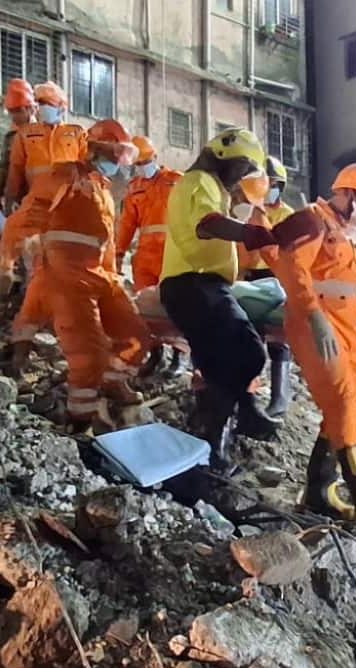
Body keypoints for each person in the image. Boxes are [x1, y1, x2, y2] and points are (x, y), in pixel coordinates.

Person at [263, 161, 356, 526]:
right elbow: (291, 267)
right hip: (314, 326)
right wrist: (314, 316)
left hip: (345, 333)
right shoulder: (313, 220)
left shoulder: (344, 238)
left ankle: (320, 491)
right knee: (340, 402)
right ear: (349, 193)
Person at [161, 127, 281, 467]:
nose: (243, 177)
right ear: (228, 160)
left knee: (217, 367)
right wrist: (251, 232)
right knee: (249, 353)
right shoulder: (200, 181)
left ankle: (215, 442)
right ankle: (223, 430)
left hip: (200, 285)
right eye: (244, 169)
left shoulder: (209, 187)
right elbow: (209, 223)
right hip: (194, 284)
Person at [38, 119, 149, 426]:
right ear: (95, 150)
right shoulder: (67, 176)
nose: (117, 162)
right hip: (68, 274)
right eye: (113, 154)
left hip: (100, 273)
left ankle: (113, 381)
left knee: (136, 335)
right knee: (88, 352)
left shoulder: (103, 188)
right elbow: (35, 212)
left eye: (121, 155)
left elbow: (107, 240)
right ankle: (82, 420)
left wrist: (114, 276)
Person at [0, 81, 86, 370]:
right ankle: (11, 280)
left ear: (61, 107)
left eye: (49, 103)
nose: (43, 108)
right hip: (37, 202)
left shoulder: (76, 133)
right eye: (40, 102)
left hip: (68, 206)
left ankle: (60, 322)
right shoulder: (25, 134)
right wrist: (8, 197)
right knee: (25, 247)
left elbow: (88, 171)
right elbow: (15, 171)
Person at [236, 155, 294, 417]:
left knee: (280, 339)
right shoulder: (247, 210)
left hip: (277, 276)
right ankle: (249, 391)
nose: (270, 188)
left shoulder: (287, 214)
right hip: (250, 277)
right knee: (249, 337)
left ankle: (280, 397)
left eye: (275, 184)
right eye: (266, 183)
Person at [116, 135, 180, 290]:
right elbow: (127, 224)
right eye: (138, 164)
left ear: (155, 157)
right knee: (144, 301)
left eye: (145, 162)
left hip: (173, 251)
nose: (142, 167)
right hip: (145, 254)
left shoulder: (176, 180)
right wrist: (119, 252)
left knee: (174, 299)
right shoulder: (134, 188)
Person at [0, 78, 34, 215]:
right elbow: (3, 167)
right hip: (18, 200)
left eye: (18, 111)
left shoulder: (45, 134)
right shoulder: (11, 137)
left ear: (30, 109)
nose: (14, 116)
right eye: (11, 111)